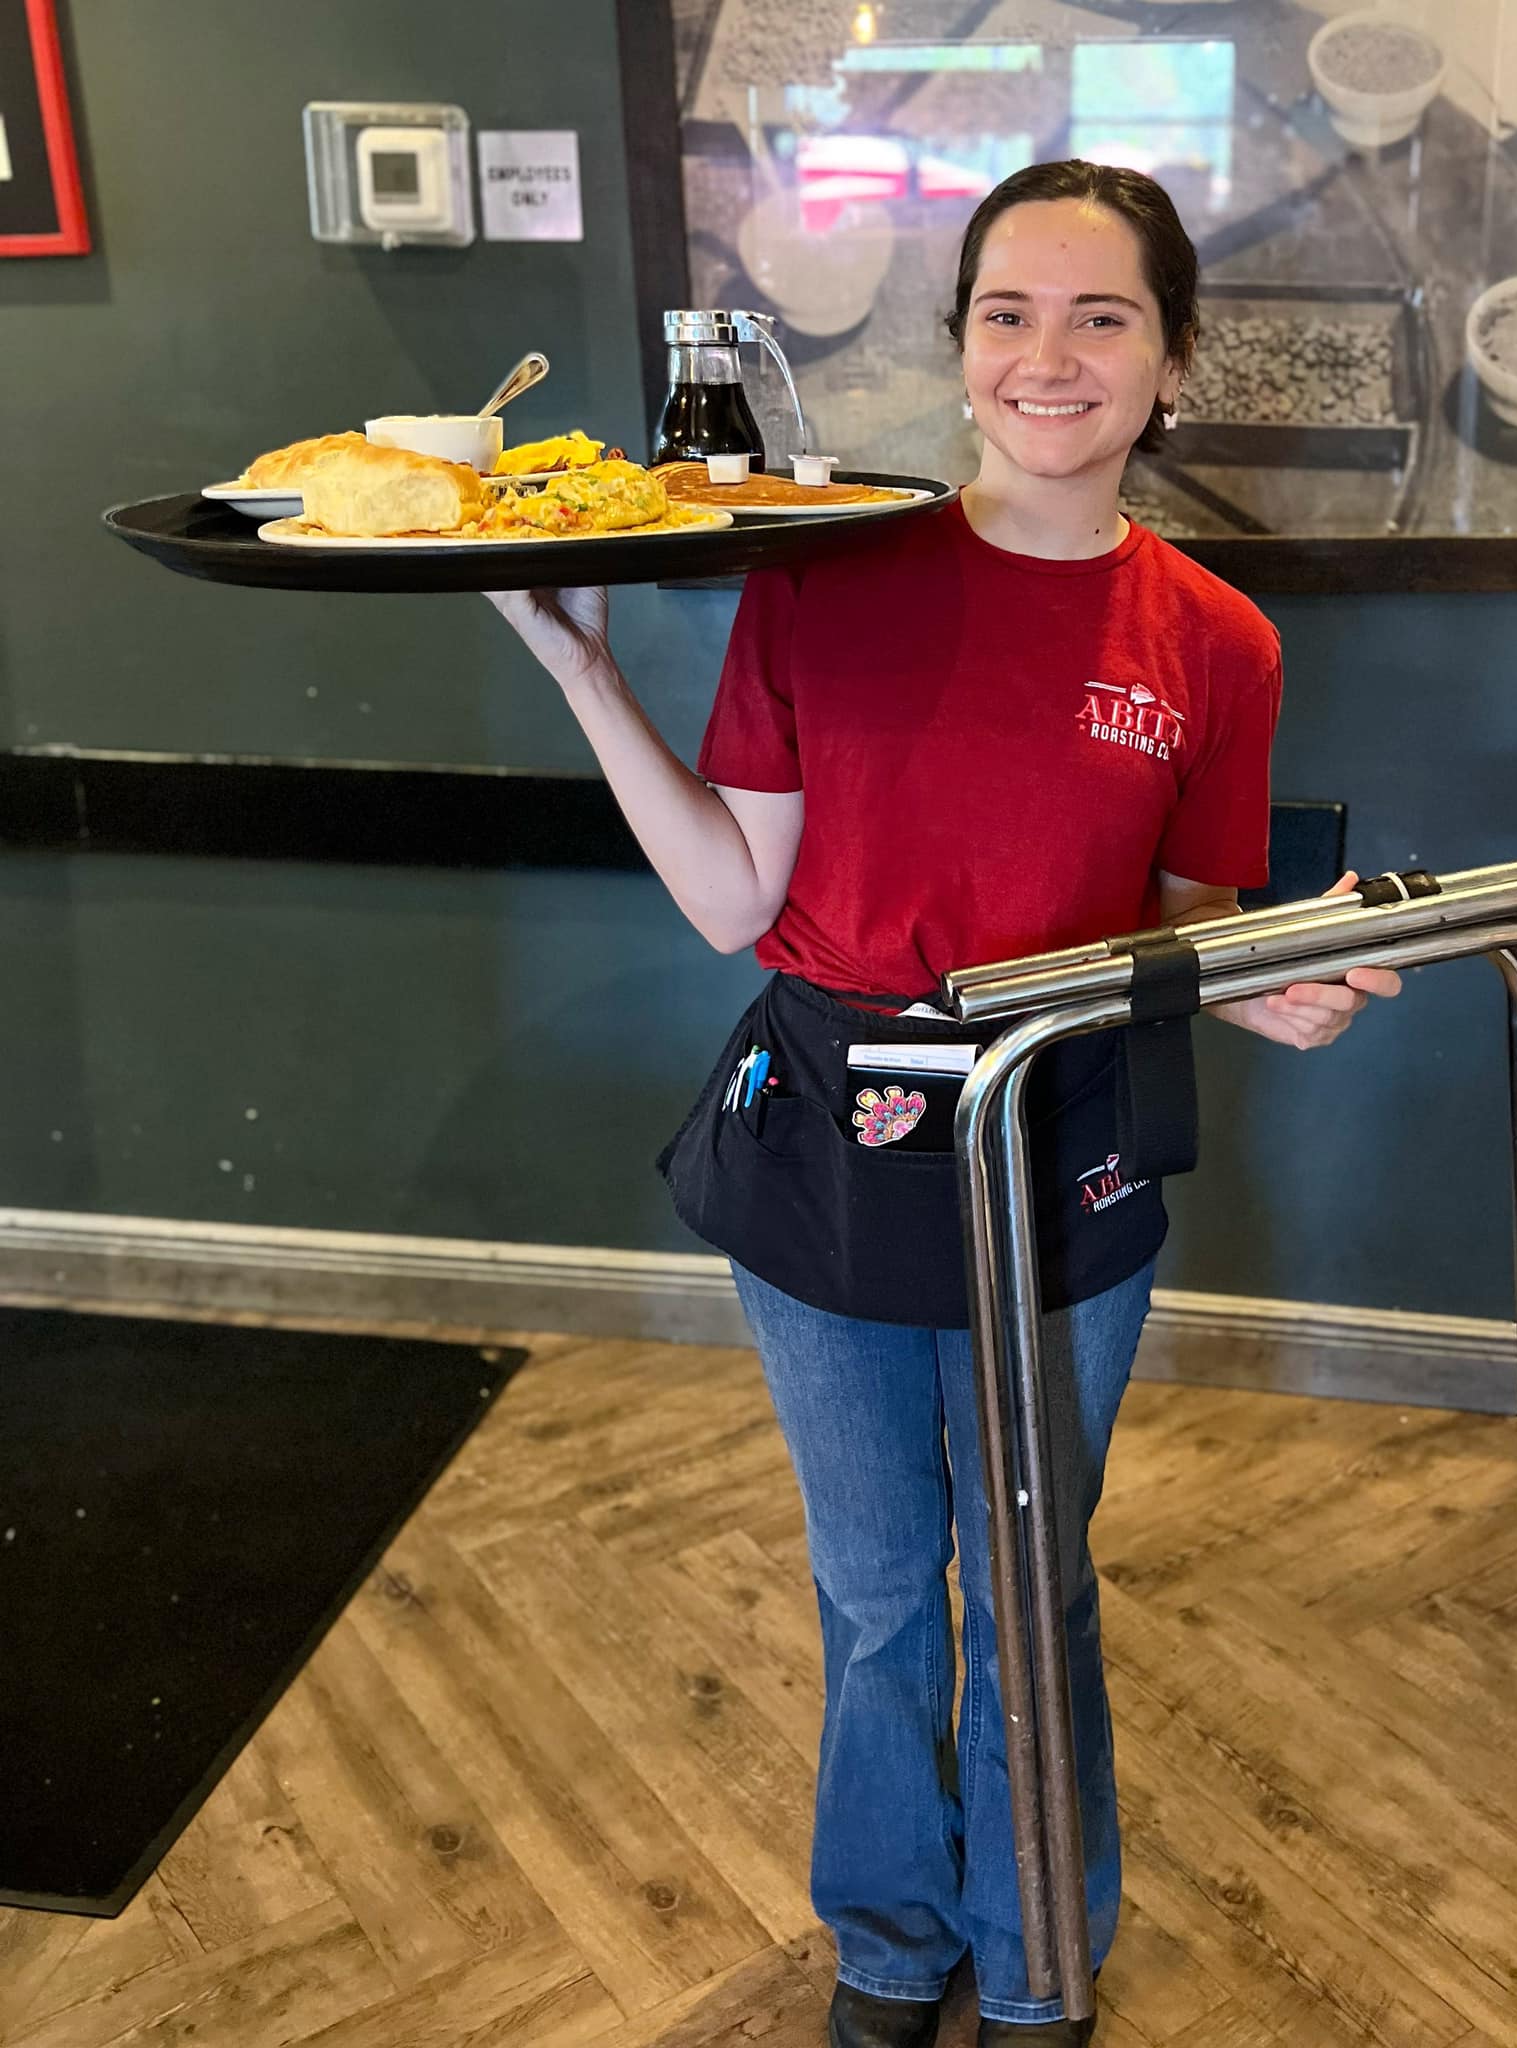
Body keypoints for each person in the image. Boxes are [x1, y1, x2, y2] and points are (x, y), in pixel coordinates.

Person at [486, 159, 1401, 2048]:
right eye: (1007, 313)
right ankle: (893, 1941)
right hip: (830, 1135)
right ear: (960, 344)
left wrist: (1262, 988)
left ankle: (1041, 1947)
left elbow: (1186, 925)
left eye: (1102, 317)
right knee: (882, 1584)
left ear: (1171, 363)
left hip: (1065, 1138)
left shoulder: (1216, 642)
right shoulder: (828, 577)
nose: (1047, 356)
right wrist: (581, 670)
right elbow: (734, 898)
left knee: (1030, 1572)